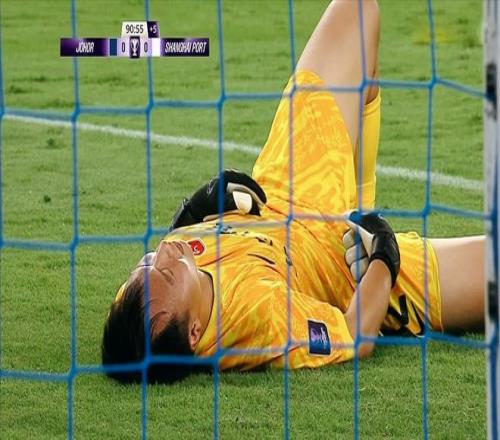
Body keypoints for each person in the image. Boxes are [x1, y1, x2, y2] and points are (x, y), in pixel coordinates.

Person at [101, 0, 484, 384]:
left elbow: (160, 275)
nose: (164, 251)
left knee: (357, 11)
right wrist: (384, 257)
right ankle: (366, 230)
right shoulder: (259, 319)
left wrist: (193, 212)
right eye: (167, 272)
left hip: (286, 190)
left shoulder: (135, 310)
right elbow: (355, 336)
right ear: (195, 332)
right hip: (346, 268)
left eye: (145, 264)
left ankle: (361, 204)